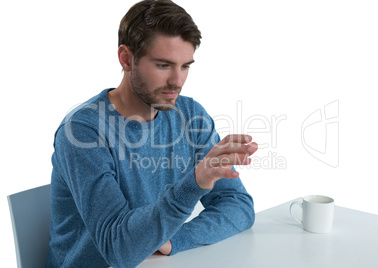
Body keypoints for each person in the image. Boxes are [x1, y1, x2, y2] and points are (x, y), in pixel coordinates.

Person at [46, 0, 258, 267]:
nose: (177, 81)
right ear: (126, 58)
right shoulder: (83, 131)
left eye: (185, 66)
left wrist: (175, 241)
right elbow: (119, 249)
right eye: (163, 65)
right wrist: (194, 184)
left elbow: (238, 205)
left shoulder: (191, 115)